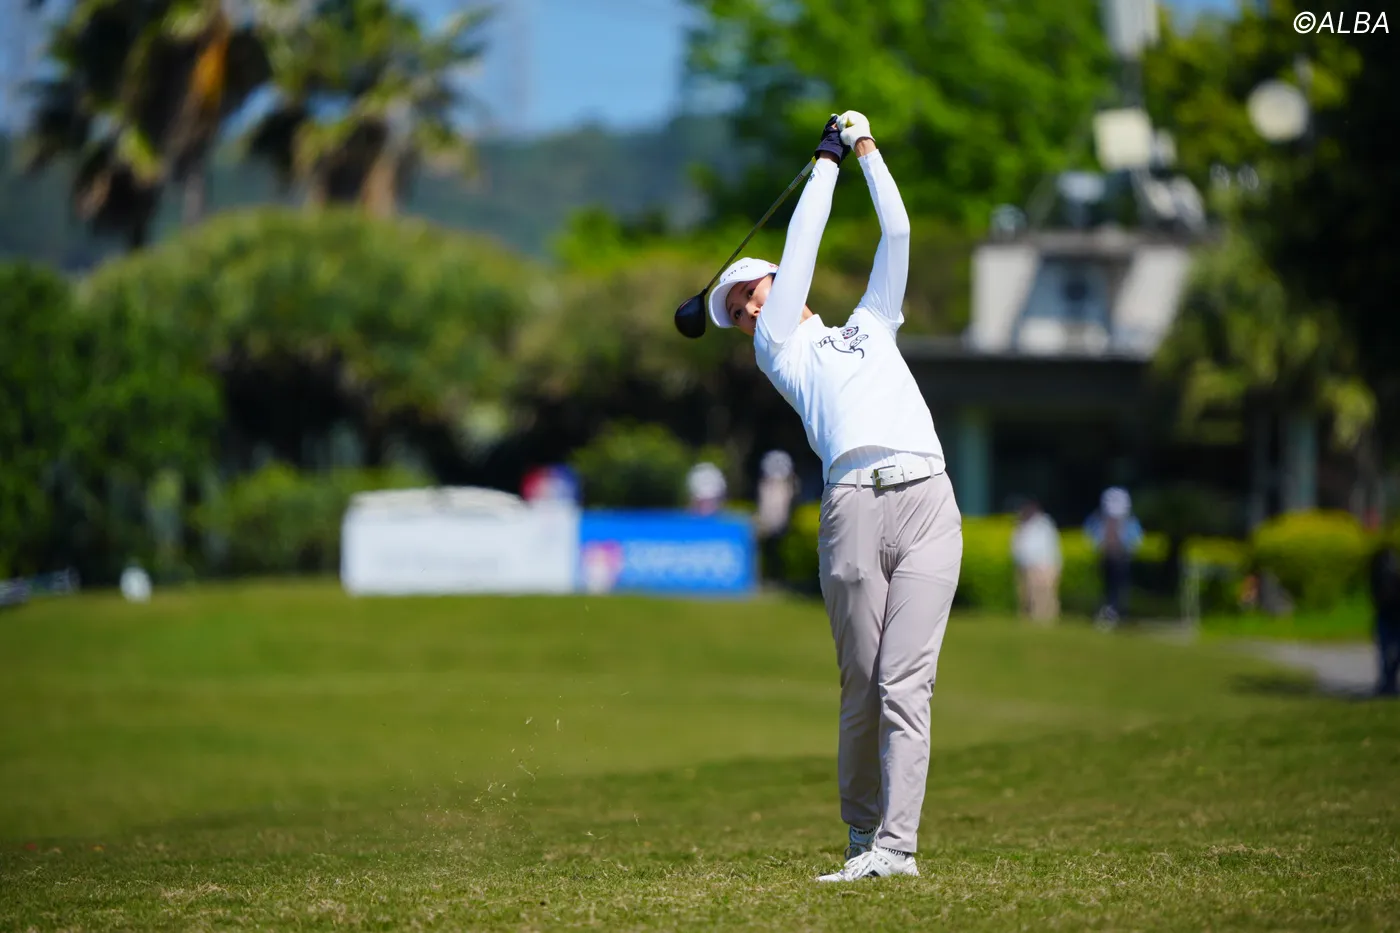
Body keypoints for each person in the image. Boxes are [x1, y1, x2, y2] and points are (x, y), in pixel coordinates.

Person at [706, 111, 963, 883]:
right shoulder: (779, 347)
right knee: (864, 685)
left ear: (773, 282)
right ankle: (861, 834)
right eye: (736, 310)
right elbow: (804, 243)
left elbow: (899, 232)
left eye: (751, 293)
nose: (749, 310)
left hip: (928, 497)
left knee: (907, 683)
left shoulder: (874, 323)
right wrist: (825, 161)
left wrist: (864, 147)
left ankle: (896, 848)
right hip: (853, 506)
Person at [1084, 486, 1142, 628]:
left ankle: (1119, 612)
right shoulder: (1100, 520)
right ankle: (1109, 611)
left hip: (1121, 558)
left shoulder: (1129, 521)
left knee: (1120, 588)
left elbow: (1135, 539)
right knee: (1107, 587)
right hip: (1107, 557)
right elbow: (1091, 534)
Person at [1011, 499, 1061, 623]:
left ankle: (1047, 619)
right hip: (1026, 566)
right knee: (1028, 595)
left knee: (1045, 594)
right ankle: (1031, 619)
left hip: (1044, 565)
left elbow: (1049, 547)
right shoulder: (1021, 525)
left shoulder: (1044, 524)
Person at [755, 450, 799, 585]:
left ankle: (779, 577)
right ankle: (766, 577)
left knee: (778, 552)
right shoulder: (765, 486)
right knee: (767, 551)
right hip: (767, 523)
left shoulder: (788, 486)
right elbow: (764, 506)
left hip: (781, 524)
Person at [1368, 540, 1400, 697]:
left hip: (1388, 617)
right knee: (1390, 655)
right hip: (1390, 617)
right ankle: (1388, 685)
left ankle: (1388, 685)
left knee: (1388, 654)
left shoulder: (1380, 574)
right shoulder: (1389, 574)